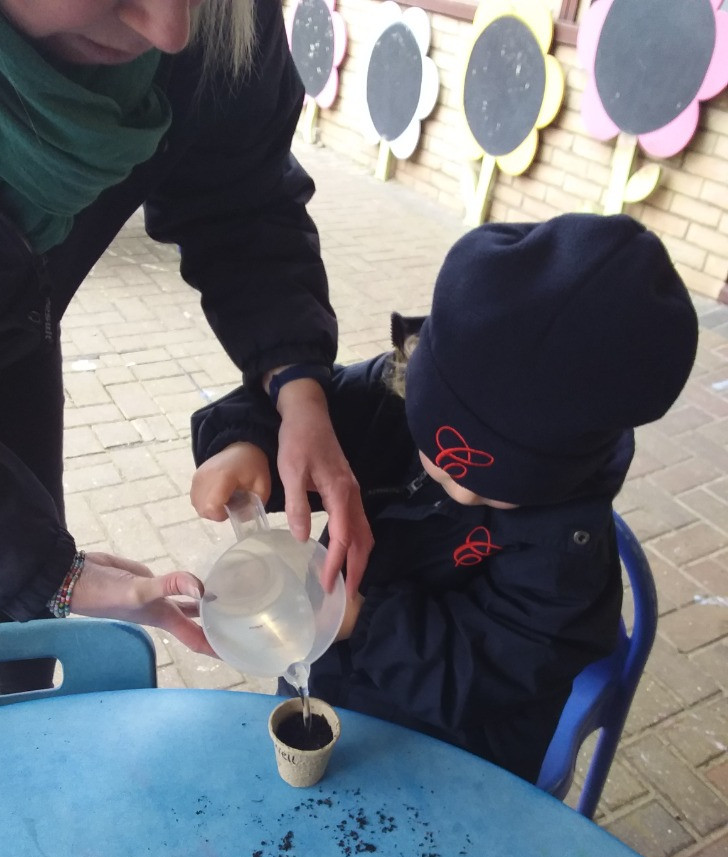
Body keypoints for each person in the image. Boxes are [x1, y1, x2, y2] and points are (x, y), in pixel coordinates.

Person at [190, 213, 698, 782]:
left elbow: (495, 672)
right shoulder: (389, 395)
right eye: (440, 452)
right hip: (333, 676)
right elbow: (308, 409)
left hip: (460, 753)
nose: (457, 485)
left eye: (495, 487)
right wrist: (242, 443)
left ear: (562, 474)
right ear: (416, 382)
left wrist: (369, 624)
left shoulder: (566, 551)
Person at [0, 0, 373, 699]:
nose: (172, 32)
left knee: (8, 643)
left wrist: (297, 386)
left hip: (16, 328)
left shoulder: (212, 20)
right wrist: (48, 572)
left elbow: (240, 197)